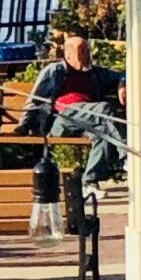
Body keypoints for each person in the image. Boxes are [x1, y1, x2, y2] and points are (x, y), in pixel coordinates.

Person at [17, 34, 126, 183]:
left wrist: (122, 85)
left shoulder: (95, 72)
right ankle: (127, 156)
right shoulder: (54, 71)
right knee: (105, 108)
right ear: (68, 55)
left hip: (87, 120)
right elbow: (34, 100)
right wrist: (22, 126)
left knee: (104, 132)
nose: (87, 55)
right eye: (82, 51)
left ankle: (90, 181)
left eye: (88, 51)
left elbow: (122, 75)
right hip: (62, 120)